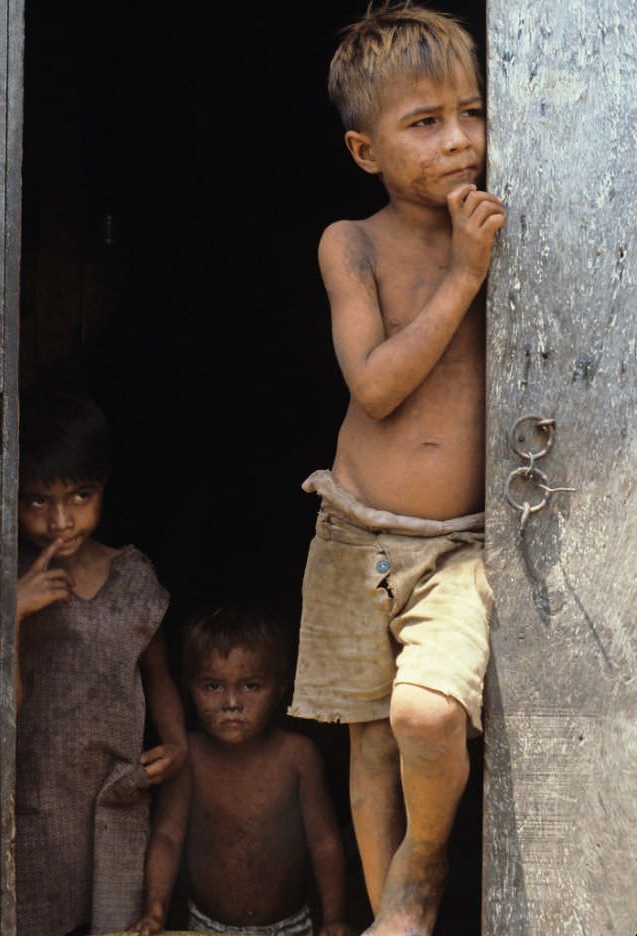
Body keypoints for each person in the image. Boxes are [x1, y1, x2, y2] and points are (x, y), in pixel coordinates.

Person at [287, 5, 506, 935]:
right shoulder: (355, 243)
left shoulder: (503, 226)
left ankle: (424, 865)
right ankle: (393, 917)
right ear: (365, 149)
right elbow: (374, 388)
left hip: (458, 549)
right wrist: (463, 276)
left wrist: (476, 259)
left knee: (423, 717)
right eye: (424, 123)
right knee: (368, 746)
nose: (458, 141)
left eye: (471, 111)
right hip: (355, 538)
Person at [15, 390, 187, 936]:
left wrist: (177, 742)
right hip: (32, 798)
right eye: (38, 501)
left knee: (114, 920)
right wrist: (11, 610)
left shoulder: (133, 578)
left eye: (80, 496)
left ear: (104, 487)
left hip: (113, 799)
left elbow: (156, 673)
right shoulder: (10, 580)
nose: (61, 521)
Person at [134, 604, 351, 936]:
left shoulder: (298, 756)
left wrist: (334, 918)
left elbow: (325, 843)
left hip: (291, 927)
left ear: (280, 688)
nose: (231, 702)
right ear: (189, 687)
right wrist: (154, 912)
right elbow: (167, 836)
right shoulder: (189, 757)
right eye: (212, 686)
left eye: (250, 686)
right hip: (205, 926)